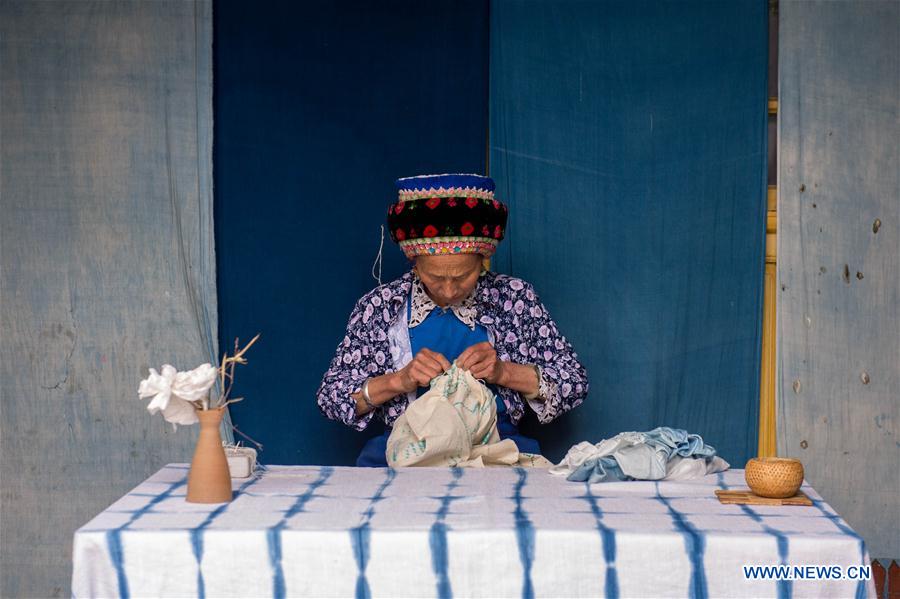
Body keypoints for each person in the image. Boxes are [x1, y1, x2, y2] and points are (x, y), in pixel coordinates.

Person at [316, 173, 589, 466]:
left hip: (495, 454)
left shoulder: (514, 298)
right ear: (414, 262)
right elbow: (332, 396)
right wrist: (400, 379)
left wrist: (503, 372)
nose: (449, 289)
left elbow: (574, 382)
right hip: (407, 453)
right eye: (435, 277)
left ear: (483, 259)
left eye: (463, 276)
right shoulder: (381, 306)